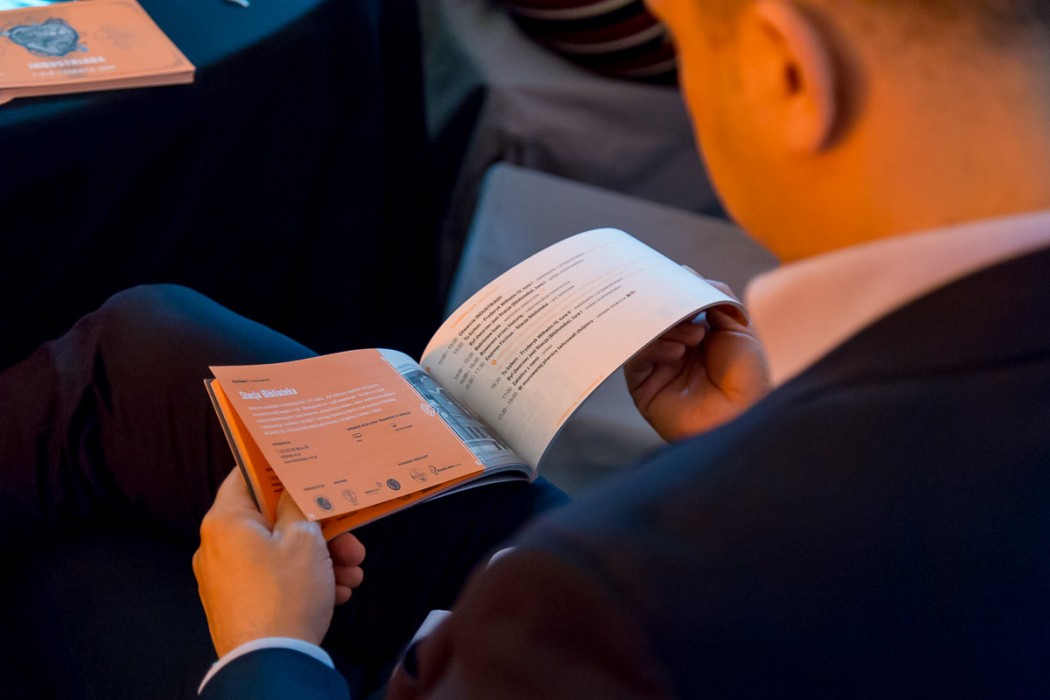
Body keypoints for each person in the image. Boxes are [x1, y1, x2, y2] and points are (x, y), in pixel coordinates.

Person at [3, 0, 1050, 697]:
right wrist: (762, 440)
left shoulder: (608, 606)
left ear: (785, 71)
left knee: (87, 580)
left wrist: (268, 642)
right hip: (661, 560)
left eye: (683, 41)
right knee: (145, 350)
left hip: (542, 627)